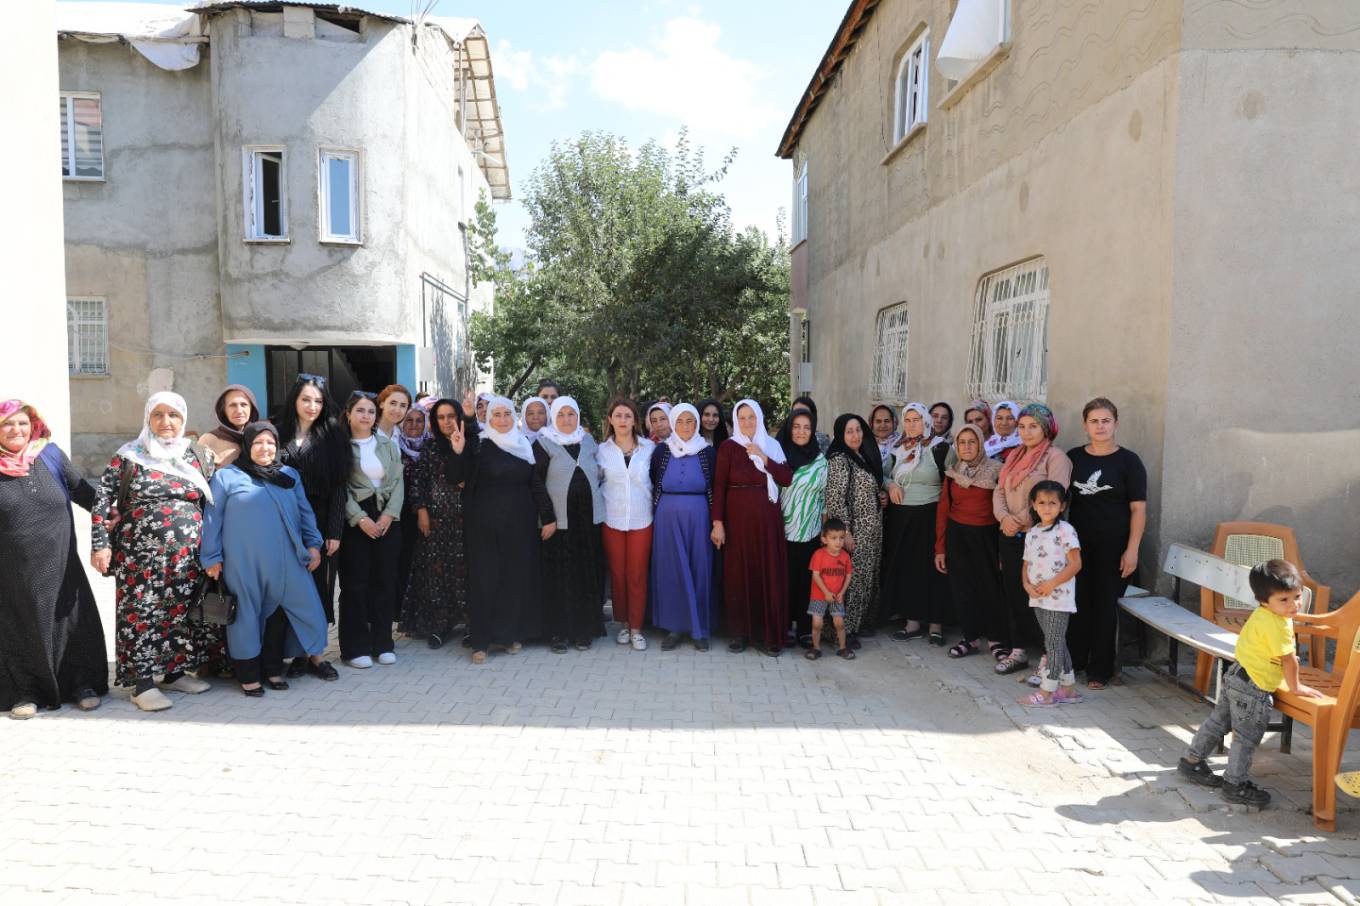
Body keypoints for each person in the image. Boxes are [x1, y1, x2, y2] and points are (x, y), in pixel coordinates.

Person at [90, 392, 218, 712]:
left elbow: (214, 500)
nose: (166, 421)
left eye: (173, 415)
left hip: (186, 556)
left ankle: (174, 673)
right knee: (142, 613)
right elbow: (102, 500)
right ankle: (142, 684)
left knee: (179, 611)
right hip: (140, 557)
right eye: (158, 414)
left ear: (183, 419)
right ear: (148, 418)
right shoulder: (129, 456)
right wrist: (100, 545)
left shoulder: (197, 455)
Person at [201, 422, 337, 696]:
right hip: (243, 562)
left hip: (287, 560)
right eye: (258, 442)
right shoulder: (227, 477)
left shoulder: (288, 475)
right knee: (246, 616)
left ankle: (275, 668)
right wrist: (211, 557)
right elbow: (212, 519)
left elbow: (305, 513)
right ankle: (249, 675)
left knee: (290, 612)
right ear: (247, 446)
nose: (265, 448)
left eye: (271, 443)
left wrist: (313, 544)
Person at [1178, 560, 1323, 806]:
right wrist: (1296, 687)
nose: (1294, 605)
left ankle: (1191, 762)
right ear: (1264, 600)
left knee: (1217, 722)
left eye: (1297, 597)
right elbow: (1289, 661)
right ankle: (1235, 784)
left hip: (1236, 675)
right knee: (1246, 738)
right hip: (1254, 688)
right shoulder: (1278, 625)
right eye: (1284, 600)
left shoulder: (1263, 614)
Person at [0, 400, 107, 718]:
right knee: (22, 628)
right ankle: (26, 692)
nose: (16, 429)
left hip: (62, 565)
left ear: (33, 425)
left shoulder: (50, 455)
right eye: (7, 424)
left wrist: (117, 520)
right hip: (13, 571)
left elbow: (86, 495)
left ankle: (81, 685)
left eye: (22, 423)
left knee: (72, 623)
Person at [1066, 397, 1148, 690]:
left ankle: (1099, 670)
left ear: (1116, 423)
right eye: (1094, 421)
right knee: (1078, 603)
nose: (1100, 426)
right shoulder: (1073, 458)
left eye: (1106, 421)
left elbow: (1138, 509)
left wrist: (1132, 549)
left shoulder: (1129, 462)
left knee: (1104, 607)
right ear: (1085, 425)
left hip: (1114, 547)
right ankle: (1074, 662)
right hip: (1077, 546)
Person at [463, 398, 552, 663]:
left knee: (513, 579)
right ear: (489, 418)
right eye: (497, 414)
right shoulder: (479, 445)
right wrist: (468, 420)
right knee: (484, 579)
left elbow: (535, 483)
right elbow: (462, 473)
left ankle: (507, 635)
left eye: (507, 414)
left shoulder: (523, 444)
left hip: (520, 523)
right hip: (484, 524)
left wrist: (548, 516)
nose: (502, 419)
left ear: (514, 417)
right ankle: (480, 641)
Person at [992, 403, 1072, 676]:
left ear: (1046, 428)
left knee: (1043, 597)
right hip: (1010, 535)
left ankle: (1049, 658)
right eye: (1022, 426)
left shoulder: (1056, 458)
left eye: (1033, 426)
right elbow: (999, 491)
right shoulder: (1015, 455)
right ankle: (1019, 650)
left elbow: (1053, 496)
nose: (1026, 432)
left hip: (1042, 540)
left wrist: (1019, 520)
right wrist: (1004, 518)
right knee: (1015, 593)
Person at [274, 374, 349, 651]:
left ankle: (313, 654)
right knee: (286, 589)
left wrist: (334, 531)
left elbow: (339, 488)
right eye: (306, 399)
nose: (312, 406)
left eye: (318, 401)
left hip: (320, 521)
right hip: (283, 520)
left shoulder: (333, 436)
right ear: (294, 400)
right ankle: (287, 651)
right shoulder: (276, 433)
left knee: (318, 588)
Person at [713, 399, 793, 656]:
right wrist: (718, 523)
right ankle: (740, 633)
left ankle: (765, 634)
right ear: (736, 421)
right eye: (742, 417)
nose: (747, 422)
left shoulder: (771, 445)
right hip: (736, 520)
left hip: (766, 520)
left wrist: (762, 456)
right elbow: (719, 487)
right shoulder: (728, 447)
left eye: (752, 417)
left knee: (765, 571)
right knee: (737, 573)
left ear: (759, 418)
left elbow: (786, 478)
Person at [532, 396, 606, 652]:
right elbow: (536, 483)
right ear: (553, 417)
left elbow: (599, 473)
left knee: (585, 575)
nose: (566, 419)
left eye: (571, 414)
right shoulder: (543, 443)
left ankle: (584, 630)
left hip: (587, 522)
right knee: (560, 578)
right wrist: (547, 518)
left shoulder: (587, 440)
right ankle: (559, 633)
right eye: (561, 415)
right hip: (559, 524)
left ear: (577, 416)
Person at [337, 392, 403, 668]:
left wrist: (389, 514)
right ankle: (355, 648)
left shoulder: (387, 444)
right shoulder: (340, 446)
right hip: (356, 519)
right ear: (349, 414)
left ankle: (383, 643)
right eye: (360, 411)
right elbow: (339, 488)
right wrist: (359, 518)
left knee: (384, 583)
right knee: (355, 585)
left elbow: (398, 481)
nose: (366, 416)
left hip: (387, 516)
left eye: (371, 411)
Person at [401, 399, 472, 649]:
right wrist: (421, 511)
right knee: (436, 574)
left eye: (451, 416)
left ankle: (470, 626)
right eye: (440, 417)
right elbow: (418, 481)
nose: (446, 422)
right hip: (435, 523)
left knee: (466, 573)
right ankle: (440, 625)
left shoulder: (472, 443)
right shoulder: (430, 447)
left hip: (466, 521)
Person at [934, 423, 1005, 660]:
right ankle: (970, 638)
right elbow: (943, 511)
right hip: (958, 536)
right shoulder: (953, 472)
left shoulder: (996, 470)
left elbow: (1003, 507)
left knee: (990, 588)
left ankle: (996, 639)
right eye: (962, 442)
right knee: (963, 588)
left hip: (987, 536)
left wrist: (1003, 549)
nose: (966, 447)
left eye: (971, 442)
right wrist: (940, 548)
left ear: (981, 443)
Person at [650, 404, 716, 650]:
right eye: (680, 421)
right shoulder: (662, 451)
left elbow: (715, 485)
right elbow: (653, 480)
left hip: (700, 517)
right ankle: (674, 627)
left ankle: (699, 630)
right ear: (673, 424)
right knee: (670, 570)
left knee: (700, 569)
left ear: (697, 424)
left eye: (690, 421)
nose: (685, 426)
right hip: (667, 518)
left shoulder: (708, 452)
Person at [883, 403, 952, 644]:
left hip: (930, 515)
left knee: (934, 570)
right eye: (908, 420)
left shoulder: (940, 448)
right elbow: (883, 474)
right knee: (908, 569)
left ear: (926, 421)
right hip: (902, 517)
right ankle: (912, 623)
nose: (912, 425)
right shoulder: (898, 449)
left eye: (917, 419)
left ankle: (936, 625)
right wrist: (890, 485)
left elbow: (951, 480)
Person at [1016, 482, 1083, 707]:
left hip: (1058, 597)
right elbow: (1026, 563)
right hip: (1037, 596)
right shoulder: (1033, 532)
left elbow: (1075, 564)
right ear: (1034, 505)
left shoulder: (1065, 530)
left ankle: (1047, 692)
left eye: (1053, 503)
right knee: (1056, 641)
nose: (1047, 507)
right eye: (1042, 502)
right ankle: (1069, 689)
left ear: (1062, 506)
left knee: (1052, 644)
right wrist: (1026, 584)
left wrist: (1051, 584)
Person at [597, 398, 655, 651]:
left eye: (627, 416)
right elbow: (597, 481)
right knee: (618, 574)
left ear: (635, 421)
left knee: (637, 574)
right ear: (610, 420)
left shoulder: (649, 448)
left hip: (642, 519)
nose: (623, 420)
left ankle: (636, 628)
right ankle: (622, 622)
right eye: (618, 415)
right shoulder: (601, 450)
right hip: (612, 519)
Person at [823, 413, 884, 646]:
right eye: (849, 431)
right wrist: (845, 533)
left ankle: (855, 627)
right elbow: (835, 500)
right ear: (841, 434)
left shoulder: (861, 456)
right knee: (851, 583)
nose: (855, 435)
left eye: (858, 430)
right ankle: (842, 632)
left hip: (870, 531)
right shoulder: (840, 460)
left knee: (863, 580)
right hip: (854, 533)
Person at [776, 406, 827, 648]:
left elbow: (824, 499)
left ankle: (805, 630)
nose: (801, 432)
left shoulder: (820, 461)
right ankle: (785, 627)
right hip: (782, 531)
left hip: (811, 532)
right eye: (796, 426)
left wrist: (824, 533)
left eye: (807, 427)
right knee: (785, 582)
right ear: (789, 429)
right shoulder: (778, 456)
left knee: (808, 583)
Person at [807, 518, 854, 661]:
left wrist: (842, 593)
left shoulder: (845, 556)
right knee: (817, 624)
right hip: (819, 596)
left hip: (837, 597)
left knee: (839, 623)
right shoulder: (818, 555)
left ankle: (843, 648)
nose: (838, 542)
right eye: (833, 538)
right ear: (824, 539)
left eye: (841, 537)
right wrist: (826, 592)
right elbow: (815, 575)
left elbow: (848, 575)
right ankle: (815, 648)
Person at [199, 385, 260, 468]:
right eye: (233, 405)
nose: (239, 411)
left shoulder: (260, 438)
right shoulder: (209, 440)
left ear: (251, 408)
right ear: (224, 410)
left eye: (244, 404)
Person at [869, 404, 901, 474]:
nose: (883, 425)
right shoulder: (864, 444)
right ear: (872, 424)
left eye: (887, 421)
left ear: (894, 422)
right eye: (878, 421)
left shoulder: (904, 443)